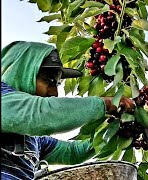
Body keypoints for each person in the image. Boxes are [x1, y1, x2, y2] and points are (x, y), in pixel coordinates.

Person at [1, 41, 135, 180]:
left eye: (57, 84)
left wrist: (115, 130)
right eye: (49, 81)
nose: (54, 93)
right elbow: (41, 114)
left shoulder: (34, 140)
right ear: (21, 71)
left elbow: (73, 152)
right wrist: (104, 104)